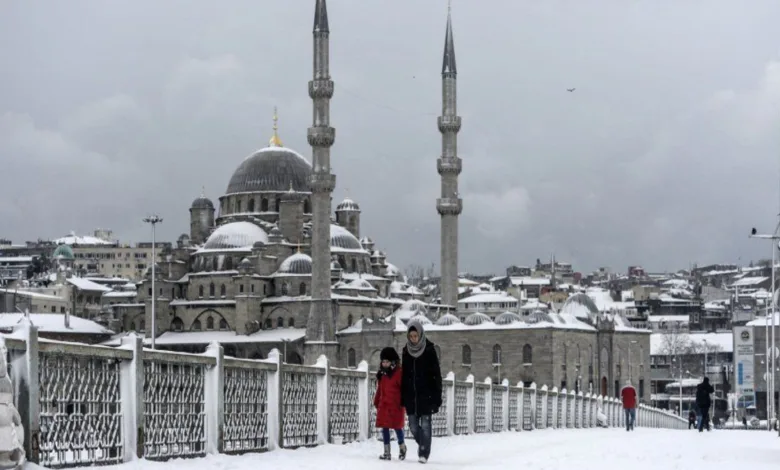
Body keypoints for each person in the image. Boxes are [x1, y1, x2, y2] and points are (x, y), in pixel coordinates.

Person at [401, 318, 442, 464]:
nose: (413, 339)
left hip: (427, 395)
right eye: (411, 336)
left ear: (420, 335)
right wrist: (403, 397)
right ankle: (424, 445)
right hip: (411, 396)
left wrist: (437, 397)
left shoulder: (429, 350)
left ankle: (424, 452)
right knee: (412, 426)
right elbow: (404, 375)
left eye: (415, 336)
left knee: (425, 425)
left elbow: (436, 375)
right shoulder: (406, 351)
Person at [374, 347, 406, 461]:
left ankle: (402, 447)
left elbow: (404, 389)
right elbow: (380, 389)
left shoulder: (399, 373)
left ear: (393, 362)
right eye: (383, 361)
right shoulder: (382, 374)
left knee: (397, 427)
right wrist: (376, 400)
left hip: (396, 405)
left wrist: (404, 401)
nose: (385, 363)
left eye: (387, 361)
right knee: (385, 428)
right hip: (384, 405)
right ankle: (387, 452)